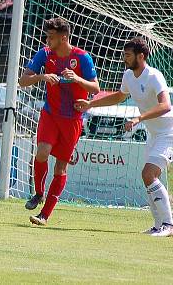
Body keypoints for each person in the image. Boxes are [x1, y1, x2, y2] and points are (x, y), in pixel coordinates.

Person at [74, 37, 173, 236]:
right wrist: (91, 104)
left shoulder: (154, 76)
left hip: (168, 132)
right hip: (153, 133)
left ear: (141, 56)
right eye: (124, 55)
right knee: (150, 178)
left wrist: (139, 118)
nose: (124, 59)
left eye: (128, 55)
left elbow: (165, 105)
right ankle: (158, 224)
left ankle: (169, 226)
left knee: (148, 174)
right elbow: (119, 96)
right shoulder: (128, 75)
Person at [18, 17, 99, 225]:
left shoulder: (82, 58)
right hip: (50, 115)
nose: (47, 40)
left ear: (64, 38)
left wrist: (76, 79)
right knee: (42, 152)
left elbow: (95, 88)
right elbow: (22, 80)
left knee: (60, 169)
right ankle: (38, 193)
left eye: (51, 37)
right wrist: (42, 77)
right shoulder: (44, 54)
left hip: (72, 120)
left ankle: (44, 215)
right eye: (47, 36)